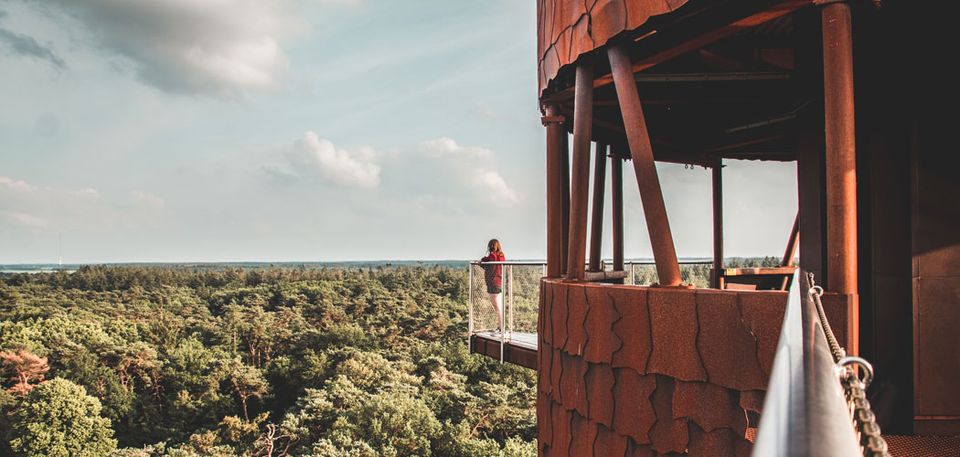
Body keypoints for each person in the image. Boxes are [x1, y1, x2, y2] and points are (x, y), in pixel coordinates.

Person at [480, 239, 505, 332]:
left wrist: (482, 261)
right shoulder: (501, 256)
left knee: (497, 307)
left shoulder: (492, 256)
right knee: (499, 306)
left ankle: (501, 327)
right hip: (499, 282)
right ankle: (501, 326)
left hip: (492, 283)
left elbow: (487, 264)